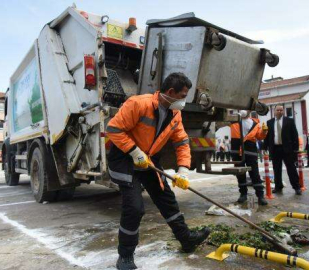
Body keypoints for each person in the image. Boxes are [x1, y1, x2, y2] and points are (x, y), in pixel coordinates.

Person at [106, 72, 210, 270]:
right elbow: (114, 129)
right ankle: (125, 256)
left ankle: (186, 239)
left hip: (148, 160)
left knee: (166, 199)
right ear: (170, 92)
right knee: (134, 208)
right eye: (182, 96)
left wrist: (183, 171)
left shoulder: (175, 113)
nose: (183, 101)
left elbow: (181, 142)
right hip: (125, 160)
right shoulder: (138, 104)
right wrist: (134, 151)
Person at [230, 110, 268, 205]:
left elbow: (260, 137)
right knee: (240, 174)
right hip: (237, 152)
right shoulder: (233, 121)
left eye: (245, 109)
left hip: (250, 151)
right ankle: (243, 194)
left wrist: (264, 131)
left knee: (254, 173)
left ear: (249, 110)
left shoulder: (255, 123)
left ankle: (260, 196)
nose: (243, 111)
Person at [263, 105, 302, 195]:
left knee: (291, 168)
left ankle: (296, 187)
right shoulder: (270, 122)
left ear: (283, 111)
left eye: (281, 110)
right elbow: (267, 137)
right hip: (275, 149)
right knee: (276, 169)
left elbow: (294, 135)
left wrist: (295, 149)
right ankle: (278, 186)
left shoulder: (289, 121)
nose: (280, 111)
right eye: (278, 110)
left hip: (287, 149)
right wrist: (264, 147)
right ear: (274, 111)